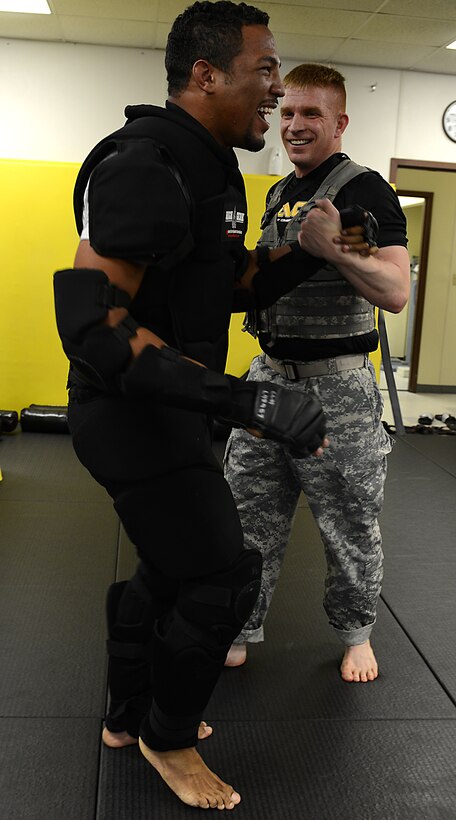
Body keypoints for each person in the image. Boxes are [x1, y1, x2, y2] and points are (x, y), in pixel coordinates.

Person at [50, 6, 371, 811]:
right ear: (207, 75)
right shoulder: (143, 163)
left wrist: (309, 250)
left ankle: (128, 720)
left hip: (171, 409)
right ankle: (169, 736)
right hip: (127, 414)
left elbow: (220, 289)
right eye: (266, 71)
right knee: (224, 575)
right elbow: (93, 329)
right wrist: (248, 401)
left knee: (170, 566)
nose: (276, 90)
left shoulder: (210, 166)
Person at [224, 63, 410, 683]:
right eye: (289, 113)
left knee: (348, 520)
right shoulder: (282, 191)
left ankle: (356, 634)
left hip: (337, 392)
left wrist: (337, 247)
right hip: (270, 378)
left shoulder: (359, 192)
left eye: (312, 115)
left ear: (340, 122)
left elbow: (393, 288)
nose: (295, 126)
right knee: (249, 512)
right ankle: (241, 626)